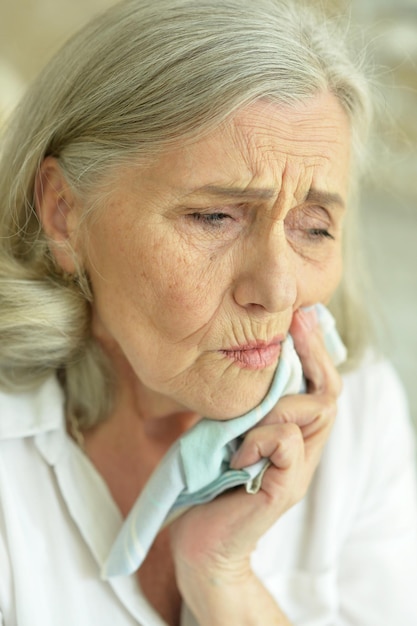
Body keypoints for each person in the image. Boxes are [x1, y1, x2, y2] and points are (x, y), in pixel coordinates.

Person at [0, 0, 416, 624]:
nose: (278, 290)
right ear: (64, 213)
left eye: (314, 227)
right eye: (213, 217)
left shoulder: (363, 414)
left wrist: (222, 574)